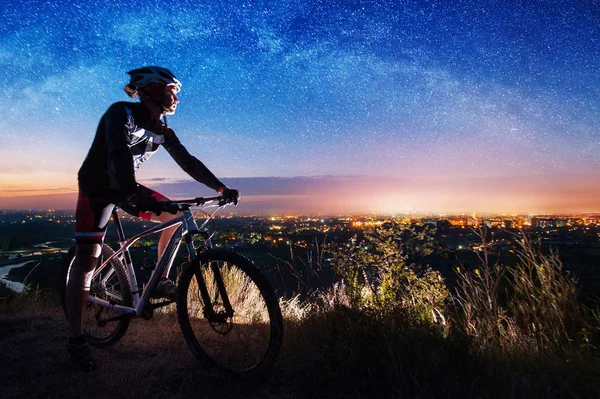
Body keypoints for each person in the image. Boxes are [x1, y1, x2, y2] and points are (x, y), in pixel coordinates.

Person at [65, 66, 239, 372]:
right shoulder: (121, 113)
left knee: (176, 214)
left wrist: (220, 187)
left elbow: (187, 161)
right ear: (152, 90)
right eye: (171, 90)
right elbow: (118, 152)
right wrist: (132, 193)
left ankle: (159, 280)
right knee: (87, 259)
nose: (176, 97)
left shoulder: (162, 129)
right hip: (97, 188)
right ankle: (77, 340)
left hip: (127, 186)